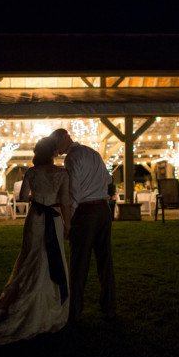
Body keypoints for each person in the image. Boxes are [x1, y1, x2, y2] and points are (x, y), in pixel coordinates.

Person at [0, 137, 71, 348]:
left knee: (31, 257)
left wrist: (36, 199)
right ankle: (50, 307)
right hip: (54, 219)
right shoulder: (62, 173)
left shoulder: (31, 172)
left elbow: (22, 197)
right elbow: (65, 200)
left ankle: (24, 297)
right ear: (53, 153)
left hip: (36, 218)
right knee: (51, 256)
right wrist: (68, 224)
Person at [50, 128, 116, 323]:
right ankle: (109, 306)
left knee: (79, 262)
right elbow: (108, 179)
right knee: (105, 259)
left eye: (56, 143)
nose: (56, 148)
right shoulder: (93, 152)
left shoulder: (71, 158)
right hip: (104, 210)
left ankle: (75, 310)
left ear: (65, 137)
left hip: (86, 212)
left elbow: (74, 191)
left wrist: (68, 220)